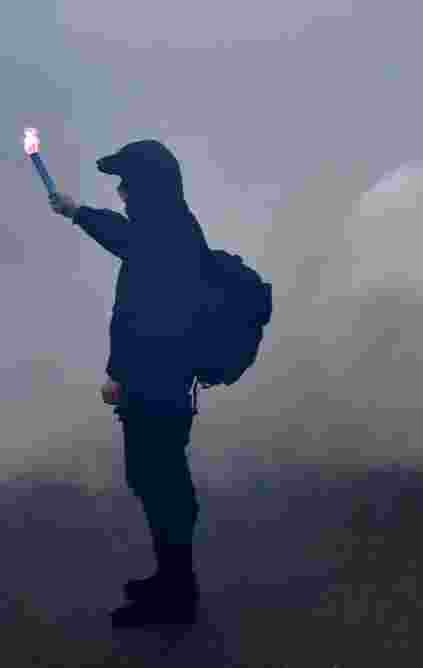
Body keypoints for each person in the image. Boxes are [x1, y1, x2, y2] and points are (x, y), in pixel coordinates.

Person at [49, 140, 208, 627]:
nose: (120, 191)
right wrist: (77, 212)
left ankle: (177, 594)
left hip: (156, 383)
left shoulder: (166, 234)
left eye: (127, 182)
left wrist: (119, 376)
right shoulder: (170, 228)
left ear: (149, 186)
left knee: (159, 482)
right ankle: (172, 580)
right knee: (158, 480)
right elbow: (124, 238)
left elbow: (143, 318)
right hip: (163, 381)